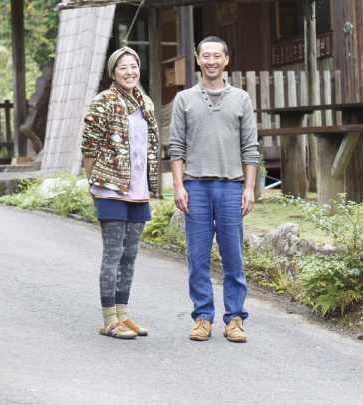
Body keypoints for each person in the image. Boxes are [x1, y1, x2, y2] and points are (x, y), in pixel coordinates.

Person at [168, 36, 259, 344]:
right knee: (197, 257)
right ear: (198, 60)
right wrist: (178, 186)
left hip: (232, 187)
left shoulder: (241, 99)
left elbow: (251, 148)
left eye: (216, 55)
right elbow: (176, 147)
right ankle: (203, 317)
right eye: (205, 56)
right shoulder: (184, 99)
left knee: (233, 256)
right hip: (195, 187)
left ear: (226, 60)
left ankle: (235, 318)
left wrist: (249, 188)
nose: (210, 61)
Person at [81, 46, 161, 340]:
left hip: (138, 190)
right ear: (113, 73)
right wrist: (93, 184)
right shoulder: (103, 102)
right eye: (123, 67)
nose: (130, 72)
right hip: (110, 189)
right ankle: (108, 319)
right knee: (113, 254)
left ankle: (123, 314)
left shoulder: (146, 104)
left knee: (130, 255)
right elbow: (89, 148)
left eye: (134, 66)